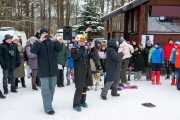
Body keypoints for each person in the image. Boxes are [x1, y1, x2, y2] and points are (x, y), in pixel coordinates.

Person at [31, 28, 62, 115]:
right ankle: (48, 108)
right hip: (43, 71)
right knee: (45, 90)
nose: (45, 34)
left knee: (52, 89)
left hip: (53, 70)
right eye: (43, 33)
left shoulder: (52, 42)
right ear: (40, 34)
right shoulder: (38, 43)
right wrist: (39, 41)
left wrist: (55, 40)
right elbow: (33, 51)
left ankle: (48, 103)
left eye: (46, 33)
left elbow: (60, 49)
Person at [71, 35, 100, 112]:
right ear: (77, 41)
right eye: (80, 41)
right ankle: (76, 104)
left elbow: (94, 57)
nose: (82, 42)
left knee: (84, 87)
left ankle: (82, 101)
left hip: (87, 71)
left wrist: (93, 48)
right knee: (79, 88)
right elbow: (75, 57)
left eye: (83, 41)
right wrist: (84, 49)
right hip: (79, 71)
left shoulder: (85, 49)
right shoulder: (74, 49)